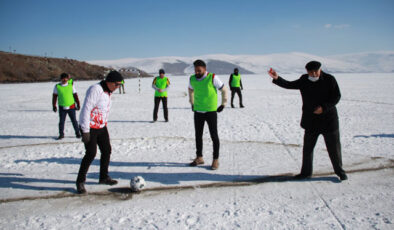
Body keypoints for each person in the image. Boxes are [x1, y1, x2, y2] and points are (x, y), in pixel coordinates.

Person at [268, 61, 347, 181]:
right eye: (311, 72)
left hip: (329, 121)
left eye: (316, 71)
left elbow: (337, 96)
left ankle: (340, 172)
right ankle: (306, 173)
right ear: (307, 71)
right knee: (308, 149)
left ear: (320, 69)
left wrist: (324, 107)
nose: (314, 74)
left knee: (334, 149)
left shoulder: (330, 79)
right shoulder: (304, 80)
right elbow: (290, 85)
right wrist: (277, 78)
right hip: (311, 122)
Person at [76, 71, 124, 194]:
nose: (118, 87)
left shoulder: (108, 92)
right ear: (109, 82)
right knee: (91, 153)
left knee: (107, 150)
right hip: (90, 127)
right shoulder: (96, 89)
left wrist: (103, 123)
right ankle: (80, 181)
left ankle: (103, 177)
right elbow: (86, 109)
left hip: (101, 127)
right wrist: (85, 131)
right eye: (117, 84)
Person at [188, 60, 228, 170]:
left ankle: (215, 160)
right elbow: (190, 90)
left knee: (214, 136)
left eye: (199, 70)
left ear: (205, 69)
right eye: (196, 70)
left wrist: (223, 104)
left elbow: (224, 90)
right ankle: (199, 157)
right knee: (198, 136)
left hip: (211, 111)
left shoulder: (213, 77)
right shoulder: (192, 79)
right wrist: (192, 103)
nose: (197, 72)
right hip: (198, 111)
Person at [52, 73, 81, 140]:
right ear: (61, 79)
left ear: (68, 79)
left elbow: (75, 95)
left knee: (74, 121)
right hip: (62, 107)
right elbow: (54, 96)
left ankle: (77, 133)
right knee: (61, 121)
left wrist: (78, 104)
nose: (64, 80)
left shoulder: (71, 86)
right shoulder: (57, 86)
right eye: (63, 78)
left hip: (71, 106)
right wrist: (54, 105)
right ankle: (61, 134)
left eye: (66, 78)